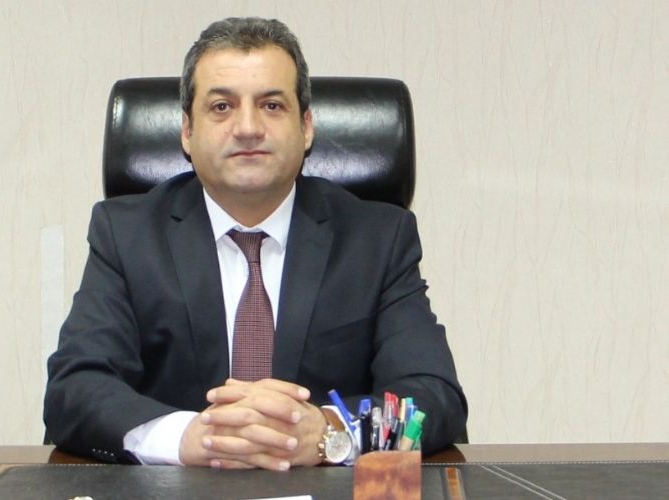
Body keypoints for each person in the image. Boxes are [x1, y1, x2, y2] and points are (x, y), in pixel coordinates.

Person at [44, 17, 467, 470]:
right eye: (221, 107)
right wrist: (190, 436)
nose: (247, 127)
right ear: (187, 131)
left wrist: (329, 432)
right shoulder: (127, 234)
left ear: (306, 127)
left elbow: (432, 395)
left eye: (271, 105)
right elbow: (75, 389)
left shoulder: (377, 239)